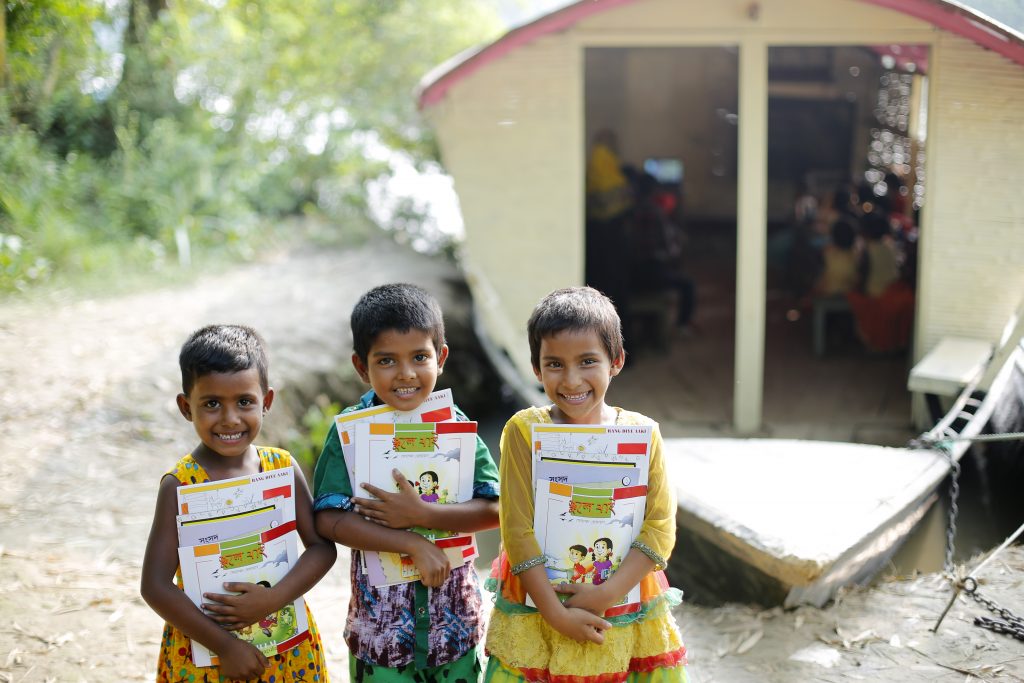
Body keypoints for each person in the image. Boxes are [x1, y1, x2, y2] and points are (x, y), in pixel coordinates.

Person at [484, 286, 688, 683]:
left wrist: (606, 593)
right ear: (536, 368)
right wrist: (556, 614)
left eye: (587, 361)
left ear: (616, 361)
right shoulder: (525, 432)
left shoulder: (643, 434)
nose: (572, 379)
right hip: (539, 604)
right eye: (555, 364)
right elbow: (516, 528)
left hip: (624, 601)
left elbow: (660, 526)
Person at [312, 283, 500, 682]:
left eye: (419, 357)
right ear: (362, 366)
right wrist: (411, 541)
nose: (406, 374)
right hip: (381, 629)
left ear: (441, 357)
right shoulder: (350, 433)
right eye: (386, 361)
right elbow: (328, 518)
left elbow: (496, 507)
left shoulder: (455, 427)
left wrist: (423, 513)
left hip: (454, 623)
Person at [141, 324, 336, 682]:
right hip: (206, 651)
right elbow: (155, 585)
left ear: (267, 402)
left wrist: (271, 600)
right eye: (212, 404)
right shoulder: (179, 485)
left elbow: (322, 549)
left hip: (285, 645)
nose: (230, 419)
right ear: (186, 407)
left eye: (244, 402)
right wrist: (225, 646)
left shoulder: (281, 468)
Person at [814, 216, 860, 297]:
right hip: (849, 300)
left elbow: (820, 282)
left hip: (826, 298)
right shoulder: (856, 256)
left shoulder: (826, 254)